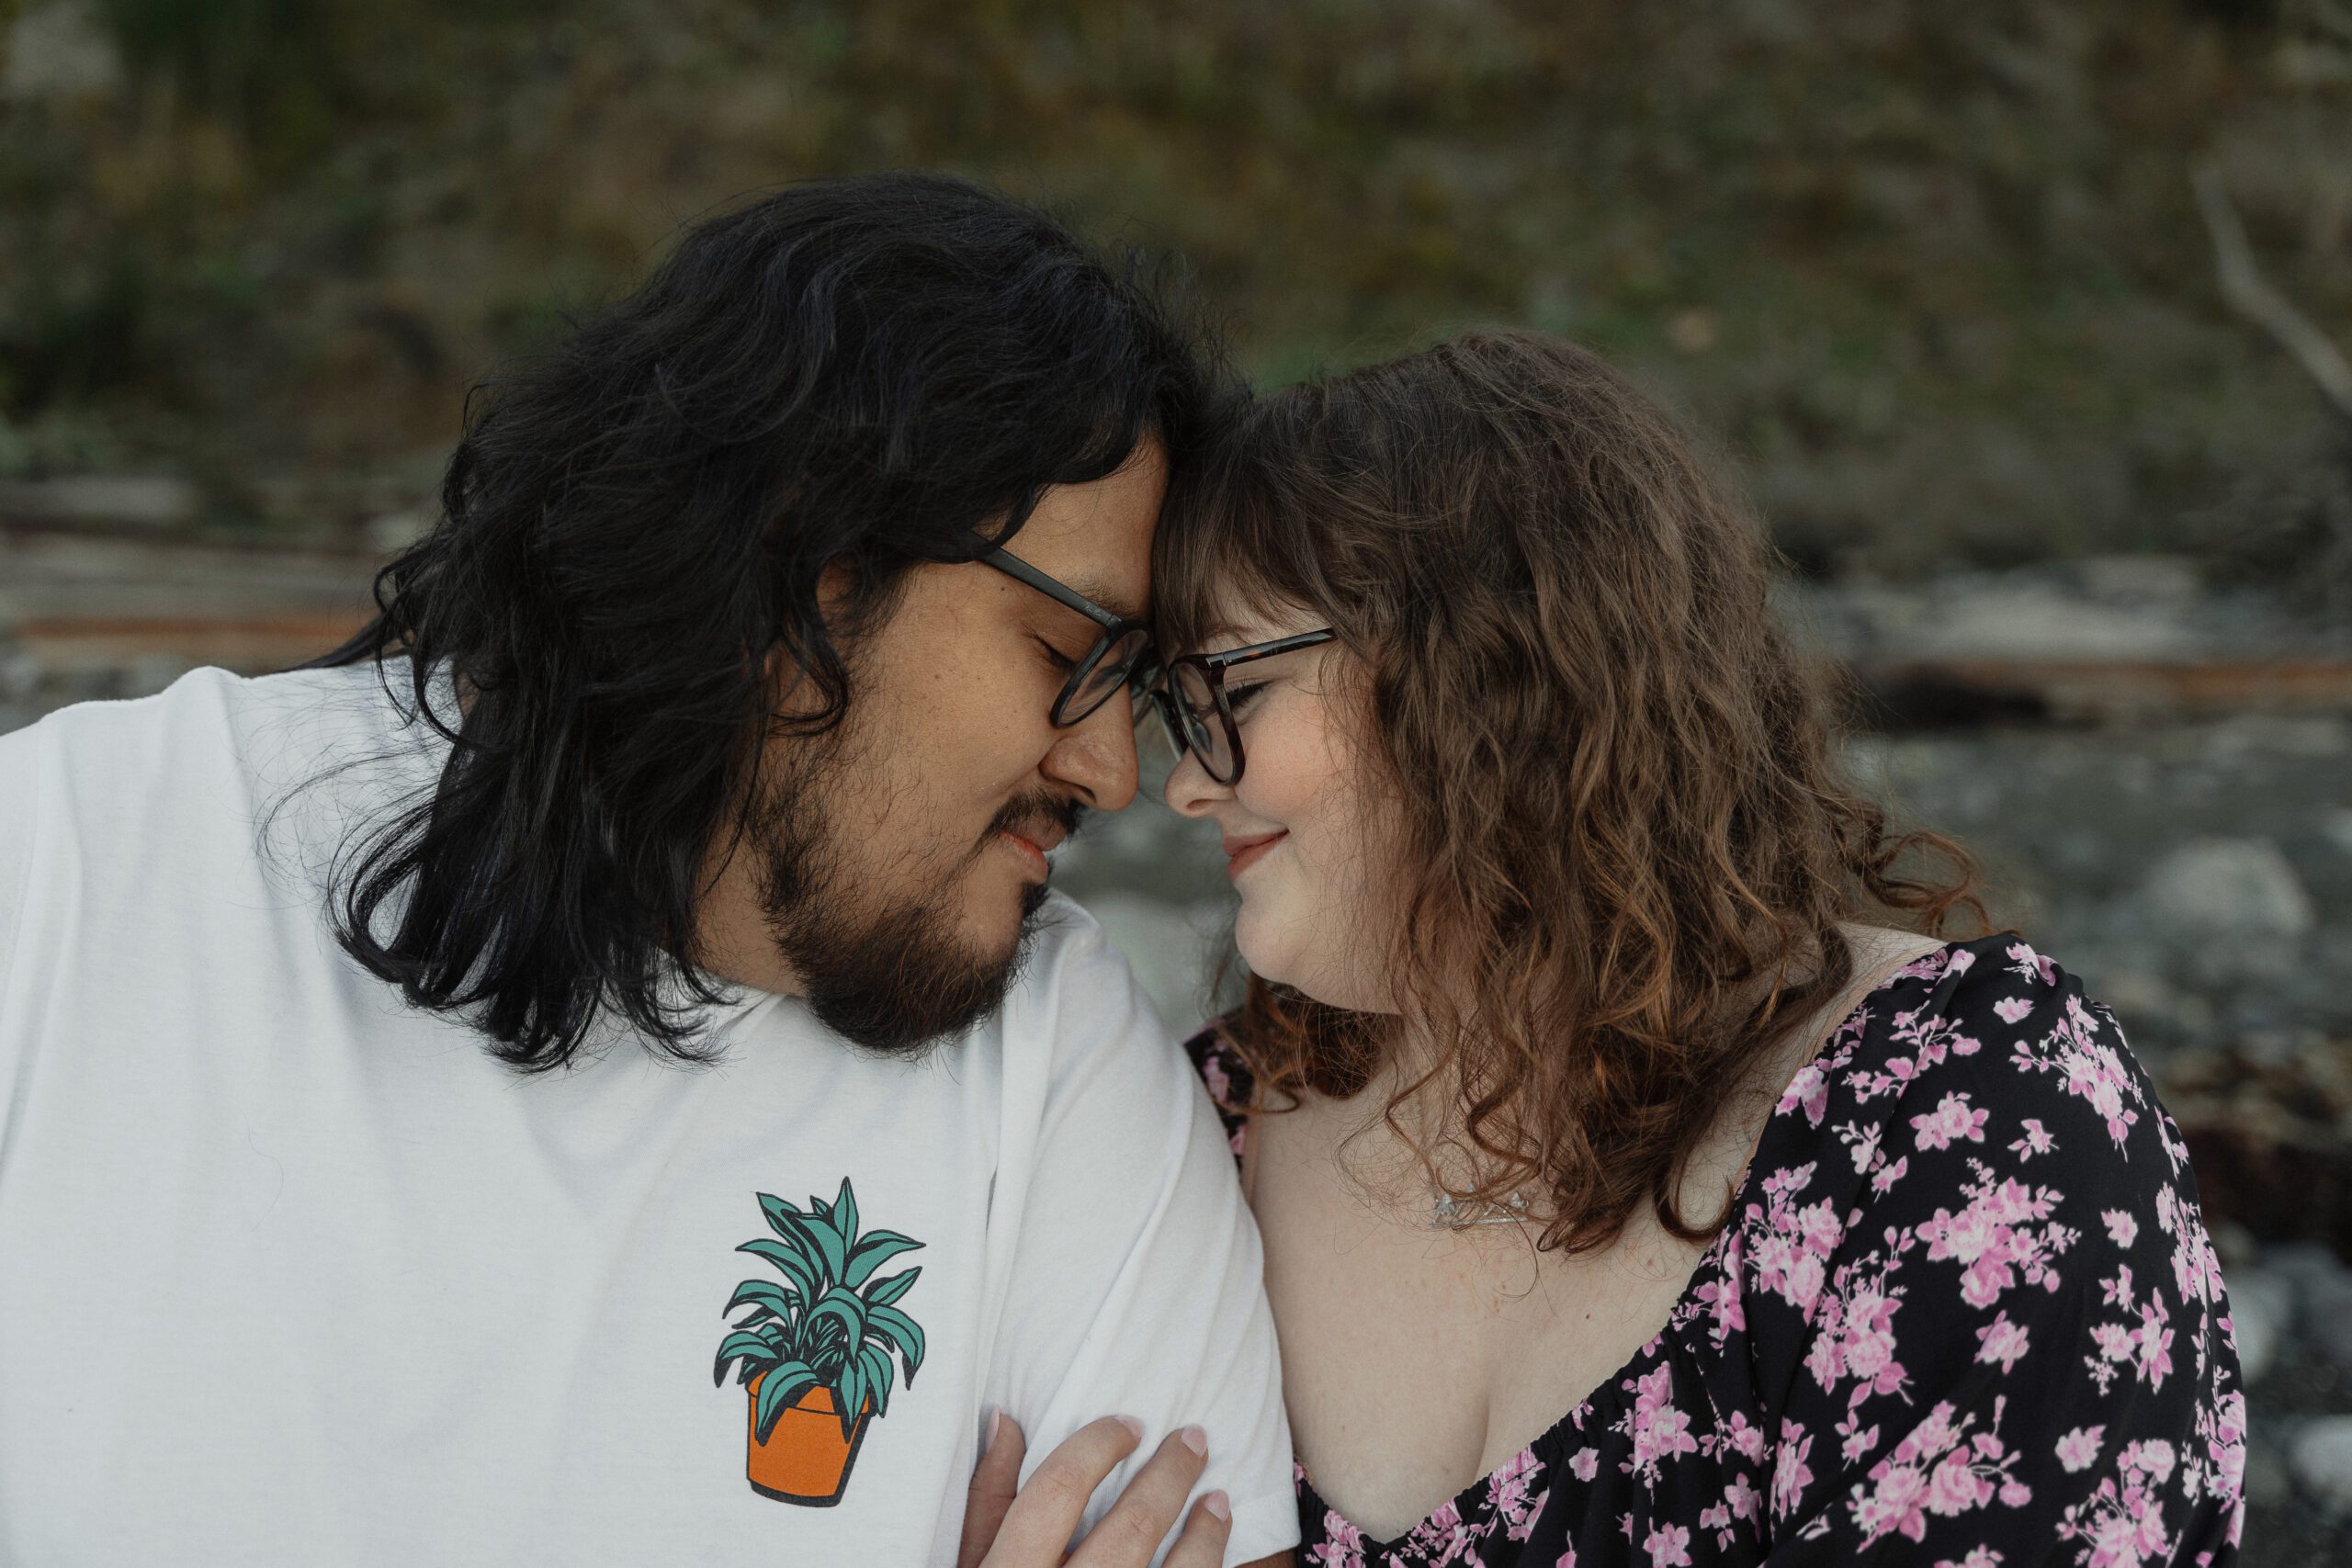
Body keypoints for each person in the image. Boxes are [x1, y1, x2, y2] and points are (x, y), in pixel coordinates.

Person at [0, 174, 1295, 1568]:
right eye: (1066, 655)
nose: (1116, 771)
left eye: (1135, 687)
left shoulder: (1055, 1067)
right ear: (798, 578)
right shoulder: (75, 867)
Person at [1145, 329, 2246, 1567]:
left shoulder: (1961, 1113)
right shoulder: (1183, 1136)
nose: (1184, 784)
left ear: (1486, 675)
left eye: (1228, 698)